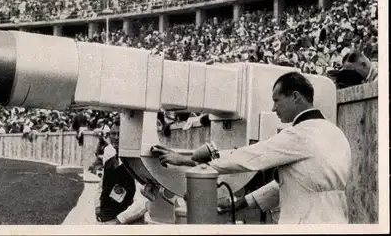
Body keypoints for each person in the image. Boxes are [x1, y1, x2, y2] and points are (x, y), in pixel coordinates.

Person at [152, 72, 352, 224]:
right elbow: (296, 183)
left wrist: (191, 160)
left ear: (296, 97)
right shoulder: (335, 133)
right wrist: (238, 203)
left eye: (276, 100)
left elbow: (251, 156)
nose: (273, 108)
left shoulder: (300, 134)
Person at [94, 124, 148, 225]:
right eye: (113, 134)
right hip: (108, 217)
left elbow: (143, 201)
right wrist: (97, 206)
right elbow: (103, 184)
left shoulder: (137, 161)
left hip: (128, 221)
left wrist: (119, 220)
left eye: (120, 134)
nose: (116, 137)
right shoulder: (110, 156)